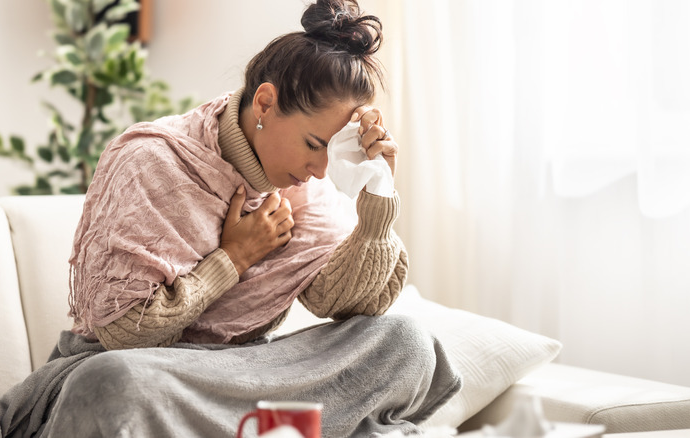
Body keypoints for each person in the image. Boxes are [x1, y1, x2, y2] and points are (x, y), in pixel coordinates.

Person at [42, 1, 461, 436]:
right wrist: (234, 258)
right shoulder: (154, 162)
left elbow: (345, 303)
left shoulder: (304, 186)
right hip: (150, 370)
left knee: (406, 344)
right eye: (314, 143)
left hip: (241, 374)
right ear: (264, 102)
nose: (321, 170)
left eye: (332, 151)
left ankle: (249, 425)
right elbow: (126, 334)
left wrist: (377, 194)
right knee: (113, 382)